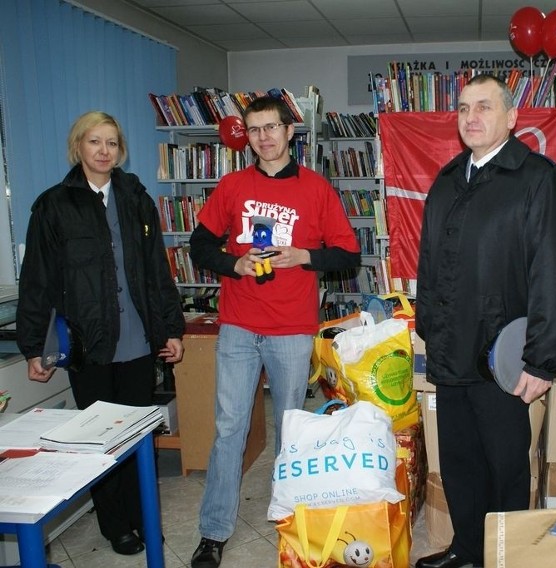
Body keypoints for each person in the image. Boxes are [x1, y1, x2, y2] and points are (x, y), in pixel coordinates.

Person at [414, 74, 556, 568]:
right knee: (459, 465)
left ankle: (506, 557)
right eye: (463, 108)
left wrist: (543, 358)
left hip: (504, 361)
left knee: (506, 468)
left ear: (512, 118)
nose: (471, 117)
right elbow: (429, 263)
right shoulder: (449, 180)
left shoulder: (538, 181)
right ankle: (468, 549)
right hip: (452, 353)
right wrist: (428, 326)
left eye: (484, 107)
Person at [187, 95, 361, 568]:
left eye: (271, 127)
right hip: (240, 326)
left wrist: (305, 256)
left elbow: (349, 255)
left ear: (289, 132)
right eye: (254, 129)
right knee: (229, 429)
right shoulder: (232, 186)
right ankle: (213, 532)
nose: (263, 137)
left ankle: (292, 523)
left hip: (291, 328)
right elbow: (199, 244)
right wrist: (233, 263)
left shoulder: (316, 189)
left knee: (291, 432)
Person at [16, 110, 186, 556]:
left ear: (120, 149)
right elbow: (37, 279)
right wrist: (33, 345)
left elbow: (156, 271)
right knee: (99, 441)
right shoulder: (53, 205)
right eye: (95, 142)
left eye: (111, 142)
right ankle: (116, 524)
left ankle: (142, 514)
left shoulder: (135, 198)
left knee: (136, 436)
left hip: (137, 339)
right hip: (89, 344)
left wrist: (171, 328)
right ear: (79, 147)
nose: (104, 151)